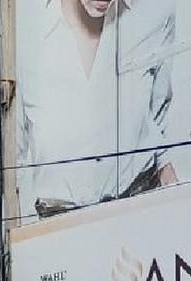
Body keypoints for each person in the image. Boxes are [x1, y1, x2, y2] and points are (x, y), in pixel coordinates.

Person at [16, 0, 177, 218]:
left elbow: (158, 112)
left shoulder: (156, 14)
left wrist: (169, 181)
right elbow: (12, 160)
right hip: (60, 225)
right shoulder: (25, 34)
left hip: (141, 203)